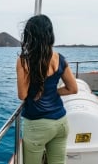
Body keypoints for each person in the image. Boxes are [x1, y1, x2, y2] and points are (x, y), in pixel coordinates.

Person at [16, 14, 78, 164]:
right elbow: (73, 89)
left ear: (29, 36)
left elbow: (22, 95)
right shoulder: (59, 58)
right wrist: (54, 91)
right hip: (60, 122)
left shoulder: (24, 61)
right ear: (50, 35)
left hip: (37, 125)